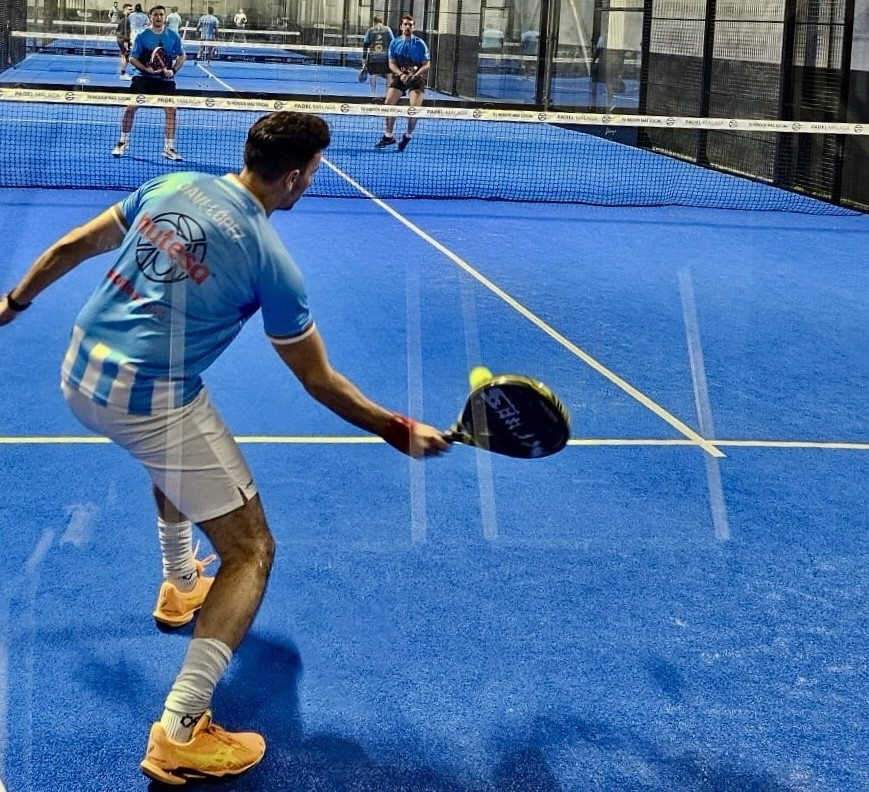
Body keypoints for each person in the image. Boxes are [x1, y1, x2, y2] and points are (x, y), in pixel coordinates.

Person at [0, 111, 448, 785]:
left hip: (78, 370)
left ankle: (181, 586)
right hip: (146, 399)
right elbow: (317, 380)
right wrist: (395, 428)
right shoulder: (271, 262)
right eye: (312, 172)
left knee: (177, 452)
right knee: (251, 550)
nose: (311, 182)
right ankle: (181, 730)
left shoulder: (173, 185)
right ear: (293, 177)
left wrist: (12, 302)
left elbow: (70, 247)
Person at [111, 5, 186, 162]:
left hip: (165, 80)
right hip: (142, 77)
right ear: (150, 17)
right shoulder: (142, 36)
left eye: (161, 15)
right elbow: (132, 58)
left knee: (171, 110)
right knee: (130, 108)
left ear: (164, 17)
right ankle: (122, 142)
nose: (159, 17)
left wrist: (173, 70)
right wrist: (146, 69)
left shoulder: (172, 36)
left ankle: (169, 148)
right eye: (155, 15)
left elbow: (182, 56)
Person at [374, 14, 430, 153]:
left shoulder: (420, 44)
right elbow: (391, 63)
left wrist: (414, 75)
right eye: (405, 24)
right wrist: (401, 75)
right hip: (401, 76)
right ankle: (389, 136)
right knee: (388, 103)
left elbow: (427, 64)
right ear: (401, 27)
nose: (407, 27)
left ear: (413, 27)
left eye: (410, 25)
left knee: (413, 110)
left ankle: (407, 135)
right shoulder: (395, 43)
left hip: (416, 78)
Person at [360, 16, 393, 99]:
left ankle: (372, 94)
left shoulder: (370, 30)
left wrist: (364, 58)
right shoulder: (388, 30)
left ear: (374, 22)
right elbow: (393, 42)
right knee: (389, 75)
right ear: (382, 21)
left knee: (373, 75)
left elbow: (365, 44)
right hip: (386, 57)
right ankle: (387, 95)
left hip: (373, 57)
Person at [115, 2, 133, 80]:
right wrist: (126, 41)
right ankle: (123, 74)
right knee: (125, 56)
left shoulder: (122, 18)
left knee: (123, 55)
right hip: (123, 40)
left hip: (120, 39)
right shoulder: (126, 19)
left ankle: (122, 72)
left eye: (131, 9)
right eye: (129, 9)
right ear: (125, 10)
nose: (131, 11)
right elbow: (126, 31)